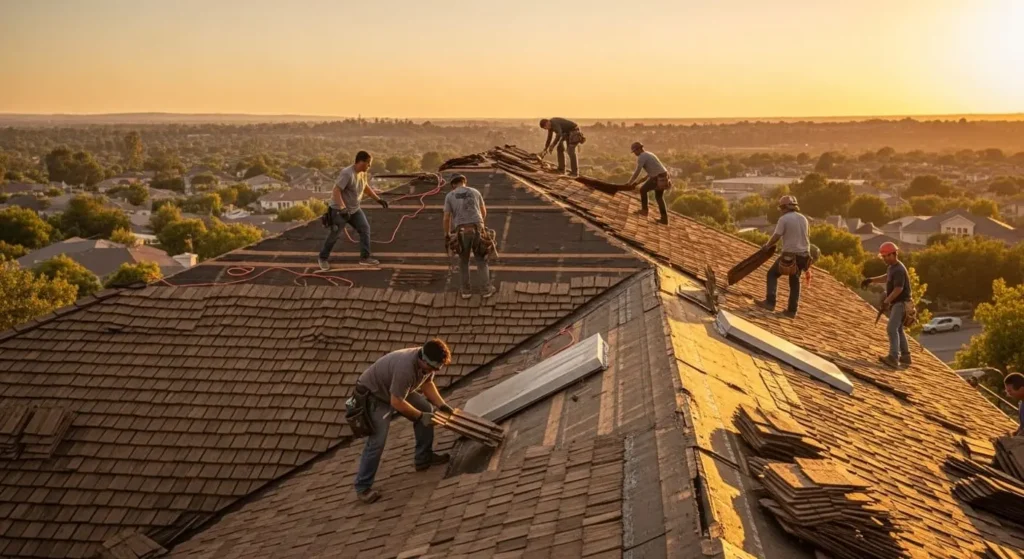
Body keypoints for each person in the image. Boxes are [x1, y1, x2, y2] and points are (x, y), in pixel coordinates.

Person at [353, 339, 455, 503]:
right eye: (432, 367)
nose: (433, 370)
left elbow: (427, 384)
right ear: (423, 360)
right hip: (374, 396)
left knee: (427, 409)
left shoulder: (427, 363)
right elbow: (396, 402)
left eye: (437, 368)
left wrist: (442, 405)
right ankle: (363, 487)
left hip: (395, 391)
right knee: (378, 440)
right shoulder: (405, 369)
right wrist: (420, 417)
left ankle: (423, 458)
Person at [318, 151, 389, 270]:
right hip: (339, 210)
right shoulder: (347, 173)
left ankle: (365, 258)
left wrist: (378, 199)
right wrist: (342, 208)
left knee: (365, 229)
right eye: (368, 163)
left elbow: (365, 186)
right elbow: (336, 191)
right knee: (334, 235)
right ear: (361, 162)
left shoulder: (362, 173)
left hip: (354, 209)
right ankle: (322, 258)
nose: (369, 166)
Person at [756, 195, 810, 318]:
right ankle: (792, 311)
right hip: (804, 256)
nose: (780, 210)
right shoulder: (803, 219)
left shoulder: (784, 219)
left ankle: (770, 302)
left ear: (784, 207)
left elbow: (777, 236)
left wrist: (767, 246)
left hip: (791, 255)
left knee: (772, 274)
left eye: (781, 207)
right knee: (795, 281)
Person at [443, 174, 496, 299]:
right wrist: (480, 225)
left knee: (463, 262)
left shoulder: (450, 195)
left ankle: (466, 291)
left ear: (453, 185)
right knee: (481, 260)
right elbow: (483, 212)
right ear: (464, 182)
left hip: (461, 233)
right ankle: (486, 290)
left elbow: (446, 218)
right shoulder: (475, 192)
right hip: (477, 229)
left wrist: (447, 234)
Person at [861, 242, 913, 368]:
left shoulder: (899, 269)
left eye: (886, 256)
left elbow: (898, 289)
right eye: (883, 256)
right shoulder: (892, 268)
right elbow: (887, 278)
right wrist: (871, 280)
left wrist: (887, 300)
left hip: (901, 304)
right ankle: (906, 357)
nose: (884, 259)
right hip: (898, 303)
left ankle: (893, 357)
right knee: (898, 329)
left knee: (891, 329)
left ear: (894, 254)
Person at [628, 142, 670, 225]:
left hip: (658, 177)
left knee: (643, 190)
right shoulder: (649, 154)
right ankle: (664, 220)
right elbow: (651, 172)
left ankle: (644, 211)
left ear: (639, 149)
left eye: (635, 151)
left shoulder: (642, 157)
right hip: (664, 176)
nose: (635, 153)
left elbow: (638, 171)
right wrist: (639, 181)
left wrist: (630, 182)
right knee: (659, 197)